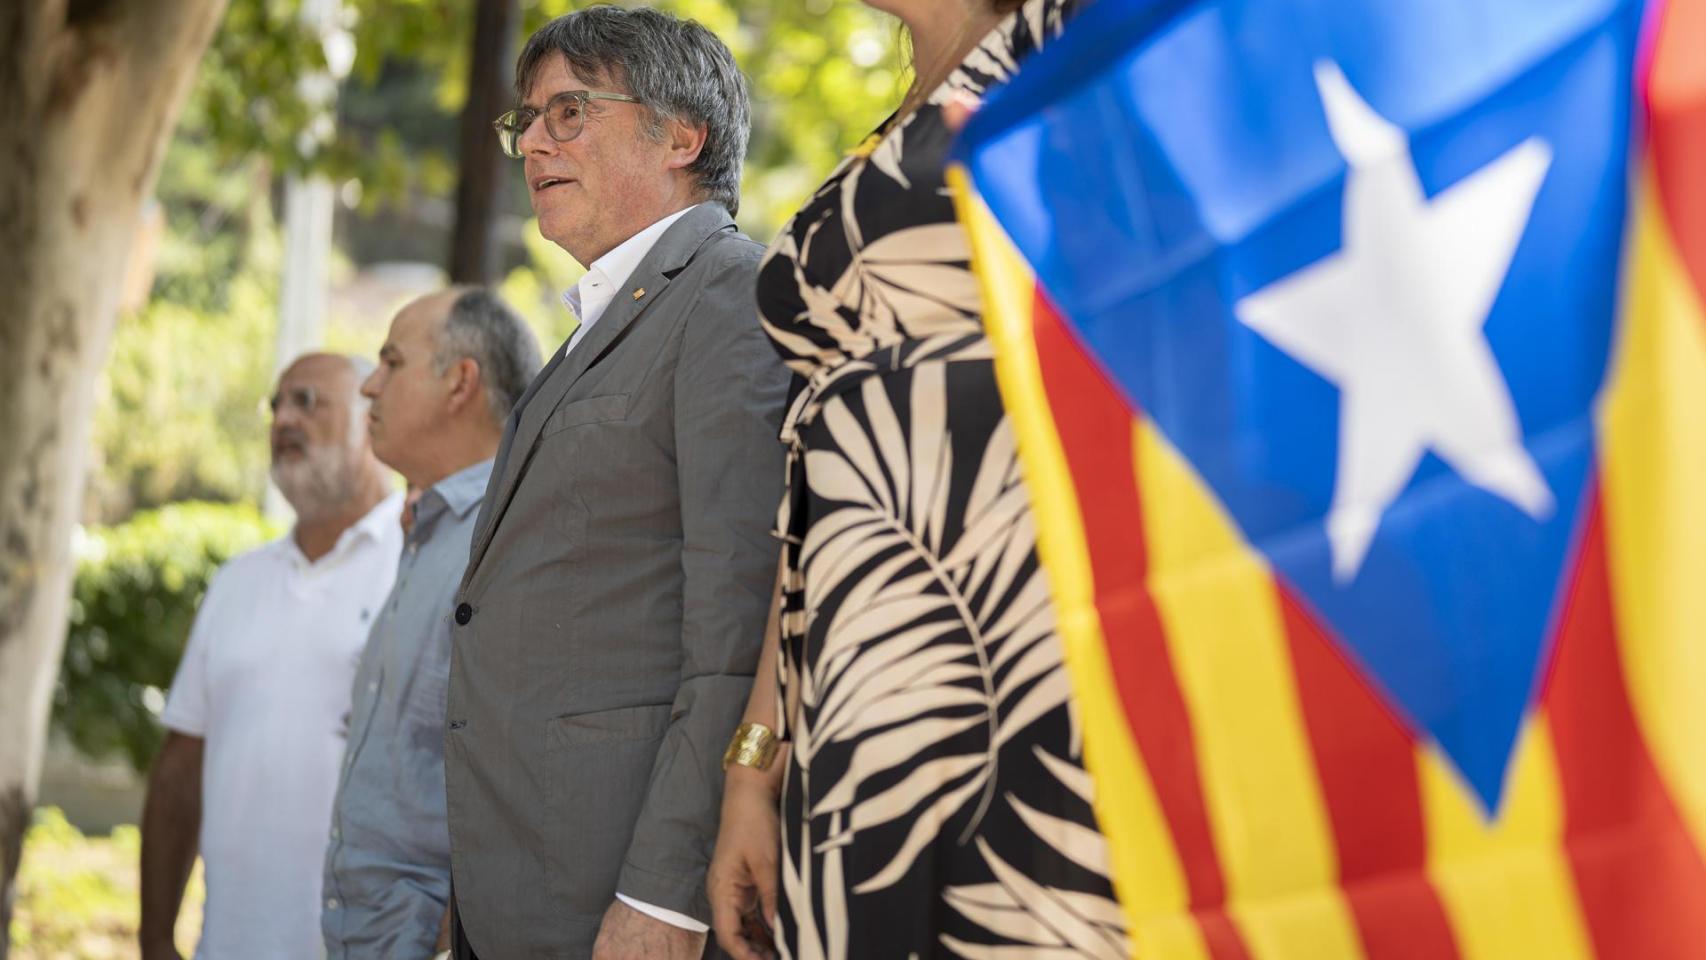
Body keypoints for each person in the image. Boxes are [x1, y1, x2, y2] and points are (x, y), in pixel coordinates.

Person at [706, 1, 1130, 958]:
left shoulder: (1076, 37)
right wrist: (753, 763)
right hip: (850, 664)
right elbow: (814, 488)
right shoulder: (889, 122)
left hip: (1026, 637)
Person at [447, 7, 789, 959]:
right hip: (519, 883)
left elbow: (738, 623)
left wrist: (667, 894)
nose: (534, 146)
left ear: (683, 136)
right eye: (527, 123)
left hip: (621, 896)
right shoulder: (608, 315)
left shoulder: (723, 296)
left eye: (570, 112)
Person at [140, 353, 403, 960]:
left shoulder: (423, 563)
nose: (283, 418)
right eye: (276, 404)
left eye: (308, 402)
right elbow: (180, 768)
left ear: (370, 421)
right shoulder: (238, 581)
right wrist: (154, 938)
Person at [321, 288, 541, 959]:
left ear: (460, 382)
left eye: (391, 362)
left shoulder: (507, 541)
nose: (368, 384)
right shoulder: (432, 530)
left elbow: (518, 776)